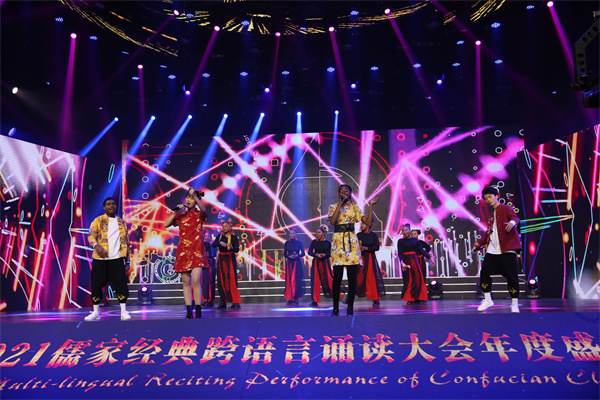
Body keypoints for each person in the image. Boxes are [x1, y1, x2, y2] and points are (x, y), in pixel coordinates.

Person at [328, 184, 378, 316]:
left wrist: (371, 206)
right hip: (338, 242)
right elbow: (332, 222)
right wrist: (340, 204)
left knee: (352, 278)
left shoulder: (355, 208)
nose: (343, 192)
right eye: (341, 191)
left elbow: (368, 222)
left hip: (351, 242)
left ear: (350, 193)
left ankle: (350, 307)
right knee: (337, 278)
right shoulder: (333, 206)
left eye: (346, 191)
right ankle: (335, 308)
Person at [472, 186, 522, 313]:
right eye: (486, 198)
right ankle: (488, 299)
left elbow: (515, 218)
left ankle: (514, 304)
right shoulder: (491, 216)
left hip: (507, 248)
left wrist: (512, 223)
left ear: (496, 196)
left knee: (512, 277)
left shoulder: (506, 208)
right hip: (492, 250)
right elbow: (489, 235)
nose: (488, 200)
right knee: (484, 272)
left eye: (490, 197)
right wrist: (478, 244)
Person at [164, 188, 209, 319]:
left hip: (197, 250)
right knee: (185, 281)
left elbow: (204, 209)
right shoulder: (181, 215)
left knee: (196, 280)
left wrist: (196, 196)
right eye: (188, 197)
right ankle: (189, 311)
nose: (189, 200)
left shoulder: (199, 214)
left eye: (192, 198)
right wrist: (176, 212)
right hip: (183, 251)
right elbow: (166, 224)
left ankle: (198, 310)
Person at [85, 197, 131, 321]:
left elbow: (126, 242)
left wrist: (127, 261)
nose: (112, 206)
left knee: (121, 285)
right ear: (104, 207)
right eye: (109, 204)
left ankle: (123, 311)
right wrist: (96, 246)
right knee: (96, 284)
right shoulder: (98, 220)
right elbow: (91, 235)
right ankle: (95, 312)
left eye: (114, 204)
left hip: (117, 258)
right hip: (100, 259)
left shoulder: (122, 223)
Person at [397, 224, 430, 304]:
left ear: (409, 231)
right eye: (403, 231)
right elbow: (400, 253)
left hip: (414, 260)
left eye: (406, 230)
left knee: (417, 278)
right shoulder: (400, 241)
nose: (404, 232)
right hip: (406, 261)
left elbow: (421, 250)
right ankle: (410, 298)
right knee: (408, 279)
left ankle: (419, 297)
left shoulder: (415, 240)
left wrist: (429, 257)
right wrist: (402, 262)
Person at [212, 219, 242, 309]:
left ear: (230, 227)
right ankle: (223, 302)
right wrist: (219, 243)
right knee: (221, 280)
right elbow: (214, 244)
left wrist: (231, 247)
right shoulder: (220, 237)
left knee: (232, 280)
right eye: (223, 226)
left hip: (230, 258)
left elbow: (237, 249)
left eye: (226, 226)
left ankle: (236, 302)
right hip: (221, 259)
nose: (224, 228)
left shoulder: (234, 237)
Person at [356, 221, 386, 307]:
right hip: (360, 258)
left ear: (368, 225)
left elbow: (377, 247)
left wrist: (367, 248)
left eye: (363, 224)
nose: (361, 225)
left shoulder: (373, 235)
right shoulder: (358, 235)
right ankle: (351, 297)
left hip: (369, 258)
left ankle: (375, 299)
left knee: (371, 278)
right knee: (357, 277)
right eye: (361, 224)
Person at [307, 225, 334, 307]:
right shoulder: (314, 242)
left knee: (329, 279)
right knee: (315, 281)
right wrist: (316, 254)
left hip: (325, 263)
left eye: (319, 232)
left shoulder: (328, 243)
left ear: (323, 233)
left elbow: (331, 254)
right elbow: (309, 252)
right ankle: (314, 300)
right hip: (316, 263)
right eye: (316, 232)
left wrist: (324, 255)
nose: (317, 234)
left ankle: (335, 296)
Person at [283, 228, 306, 305]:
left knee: (296, 280)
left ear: (296, 234)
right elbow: (285, 254)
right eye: (290, 233)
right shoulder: (287, 243)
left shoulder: (299, 243)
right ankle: (290, 298)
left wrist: (297, 255)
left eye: (293, 233)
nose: (291, 234)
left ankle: (295, 297)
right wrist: (289, 256)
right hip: (289, 263)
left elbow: (303, 253)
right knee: (289, 280)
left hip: (297, 262)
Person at [200, 230, 217, 308]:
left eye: (208, 236)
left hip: (209, 265)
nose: (207, 237)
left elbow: (212, 255)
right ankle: (202, 300)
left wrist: (208, 255)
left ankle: (208, 300)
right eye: (206, 236)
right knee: (203, 283)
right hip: (202, 265)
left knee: (208, 282)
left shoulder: (211, 245)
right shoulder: (201, 244)